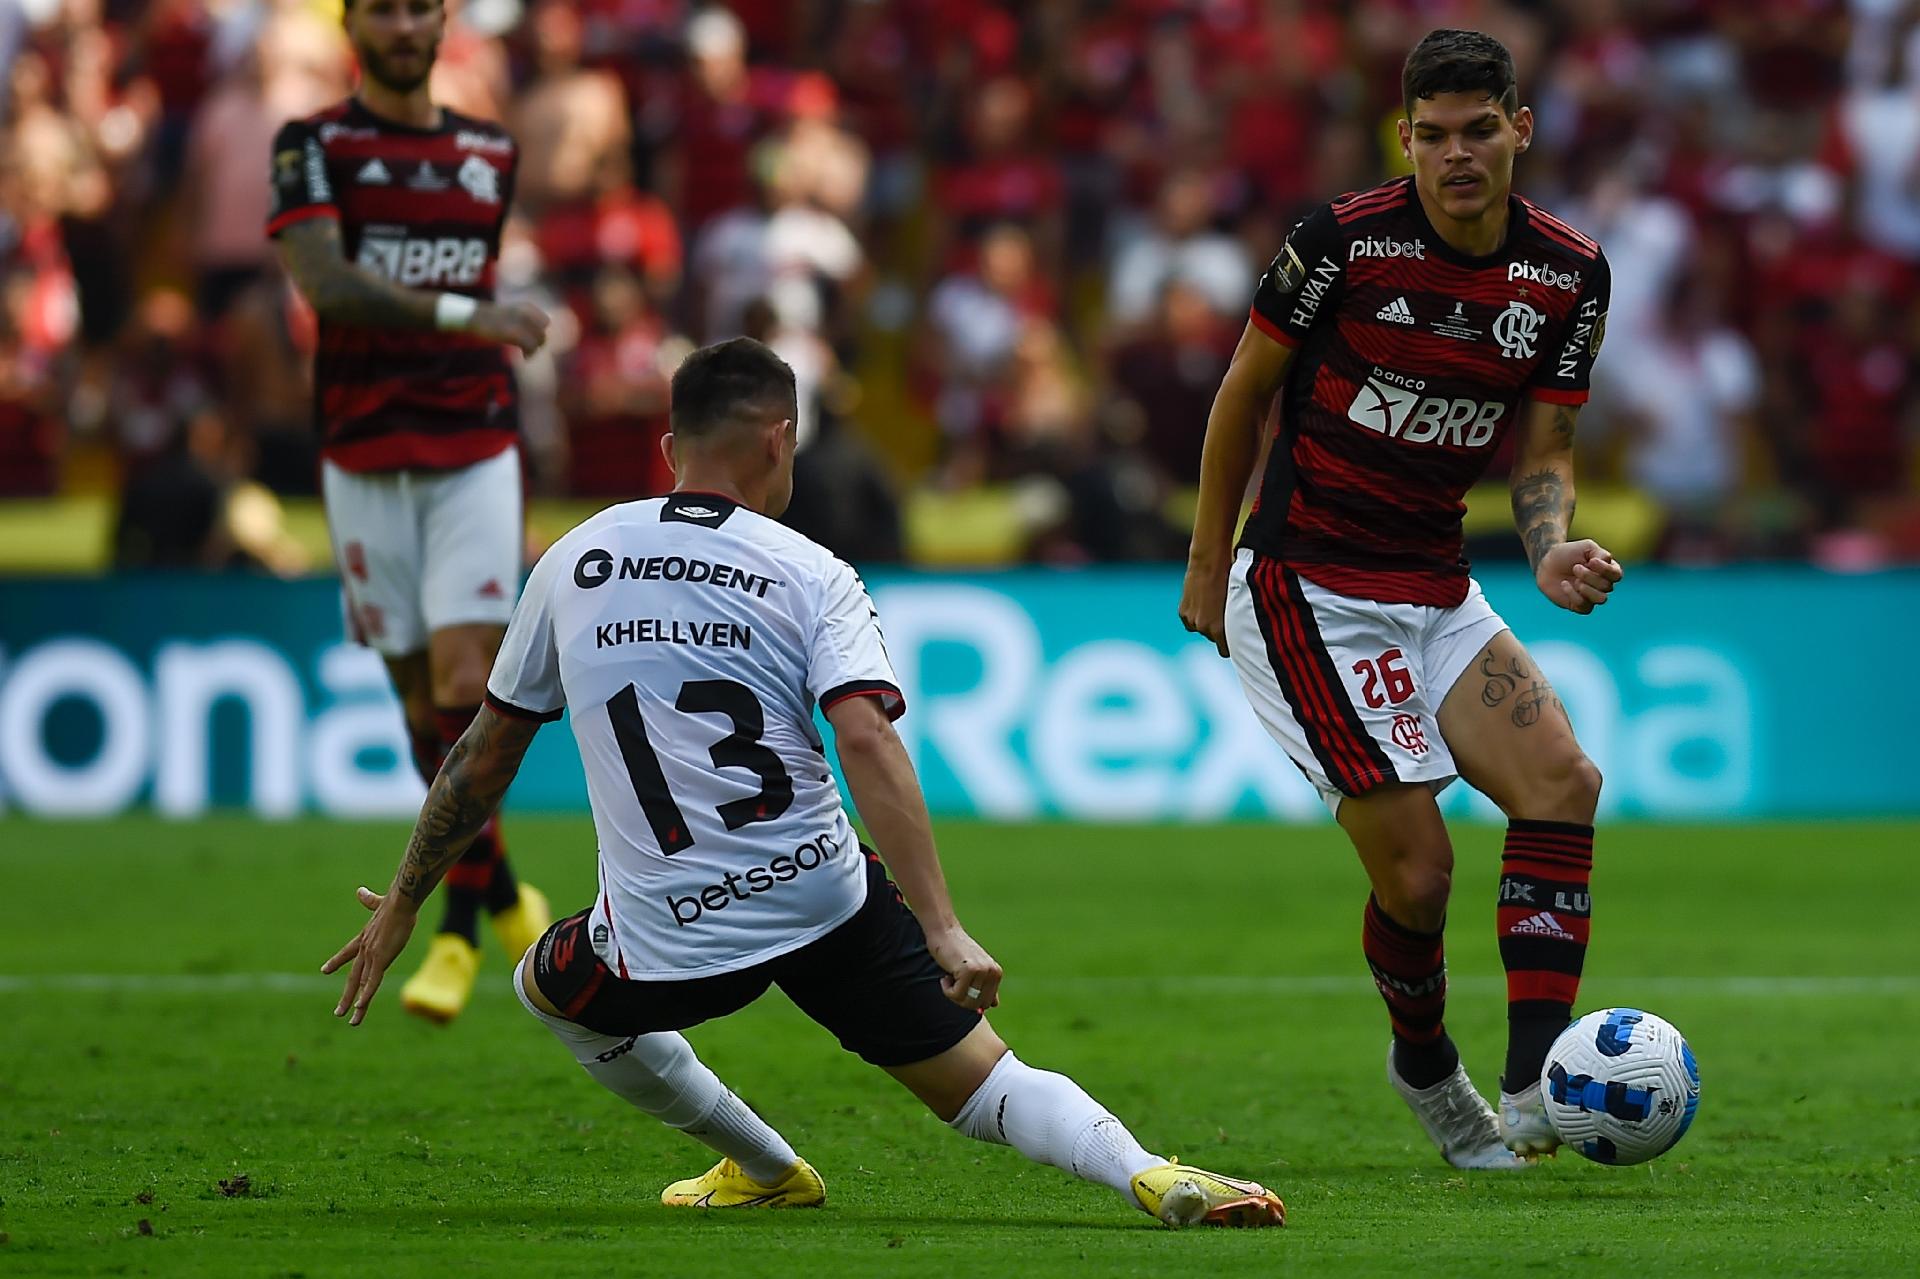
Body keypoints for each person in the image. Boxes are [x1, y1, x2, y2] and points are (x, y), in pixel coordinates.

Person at [321, 338, 1286, 1230]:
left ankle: (765, 1165)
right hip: (826, 893)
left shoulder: (575, 560)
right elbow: (864, 737)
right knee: (986, 1085)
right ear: (781, 441)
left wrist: (407, 895)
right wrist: (943, 925)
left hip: (665, 935)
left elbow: (484, 752)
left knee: (545, 987)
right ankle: (1143, 1169)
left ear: (669, 447)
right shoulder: (812, 571)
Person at [1178, 29, 1619, 1169]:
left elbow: (1545, 450)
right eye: (1432, 135)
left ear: (1520, 128)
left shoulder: (1569, 274)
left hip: (1436, 581)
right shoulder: (1341, 242)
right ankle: (1425, 1060)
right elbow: (1241, 394)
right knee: (1421, 874)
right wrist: (1203, 560)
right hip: (1306, 583)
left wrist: (1553, 545)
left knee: (1564, 781)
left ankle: (1534, 1084)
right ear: (1406, 138)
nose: (1456, 155)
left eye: (1479, 130)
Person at [268, 0, 553, 1022]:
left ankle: (456, 935)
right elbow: (325, 285)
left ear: (443, 22)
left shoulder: (488, 151)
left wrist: (467, 331)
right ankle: (507, 887)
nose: (402, 26)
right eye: (383, 8)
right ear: (353, 25)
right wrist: (467, 315)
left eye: (419, 7)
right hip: (360, 449)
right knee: (417, 708)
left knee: (467, 683)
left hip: (472, 439)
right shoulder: (313, 145)